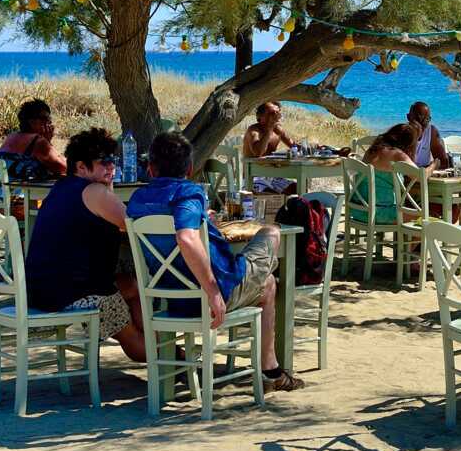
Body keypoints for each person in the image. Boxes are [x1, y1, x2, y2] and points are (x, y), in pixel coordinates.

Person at [128, 131, 303, 391]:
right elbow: (186, 238)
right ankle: (270, 369)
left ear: (150, 169)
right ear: (189, 169)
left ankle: (270, 369)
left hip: (169, 300)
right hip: (212, 296)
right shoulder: (188, 193)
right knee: (271, 238)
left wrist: (203, 219)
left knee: (265, 280)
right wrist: (212, 292)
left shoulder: (138, 199)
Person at [22, 126, 146, 361]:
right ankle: (171, 357)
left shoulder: (61, 188)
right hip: (77, 293)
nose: (111, 166)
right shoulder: (95, 192)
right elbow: (137, 228)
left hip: (43, 290)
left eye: (113, 160)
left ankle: (158, 346)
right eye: (104, 162)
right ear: (81, 166)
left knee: (132, 287)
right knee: (137, 345)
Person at [0, 98, 66, 183]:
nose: (49, 122)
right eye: (44, 118)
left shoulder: (11, 137)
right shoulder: (37, 141)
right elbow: (64, 168)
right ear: (31, 121)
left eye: (49, 118)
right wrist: (47, 142)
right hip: (21, 194)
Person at [242, 101, 299, 195]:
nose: (275, 116)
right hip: (253, 178)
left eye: (277, 113)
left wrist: (313, 147)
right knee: (272, 196)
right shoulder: (254, 130)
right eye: (271, 113)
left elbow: (294, 146)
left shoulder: (277, 130)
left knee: (298, 189)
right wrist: (269, 129)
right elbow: (258, 153)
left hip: (272, 176)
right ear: (259, 117)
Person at [405, 102, 452, 172]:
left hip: (425, 176)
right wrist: (430, 167)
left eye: (427, 119)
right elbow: (404, 167)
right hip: (407, 178)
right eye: (418, 118)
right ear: (408, 117)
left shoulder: (431, 132)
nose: (423, 121)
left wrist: (428, 169)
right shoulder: (402, 133)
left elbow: (443, 162)